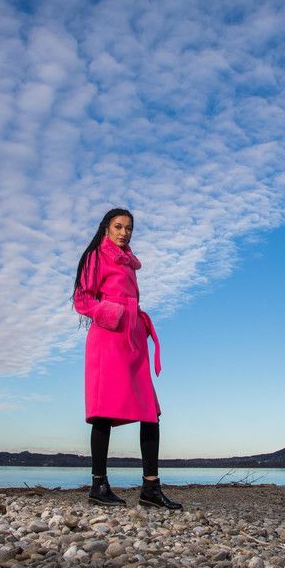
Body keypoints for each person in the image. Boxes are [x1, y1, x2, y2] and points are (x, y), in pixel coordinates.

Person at [72, 208, 182, 510]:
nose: (124, 233)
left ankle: (151, 488)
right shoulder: (96, 256)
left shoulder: (129, 262)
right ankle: (98, 486)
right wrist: (112, 313)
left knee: (150, 412)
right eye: (118, 227)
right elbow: (83, 300)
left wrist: (135, 322)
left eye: (129, 228)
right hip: (108, 337)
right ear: (106, 229)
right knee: (103, 412)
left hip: (133, 339)